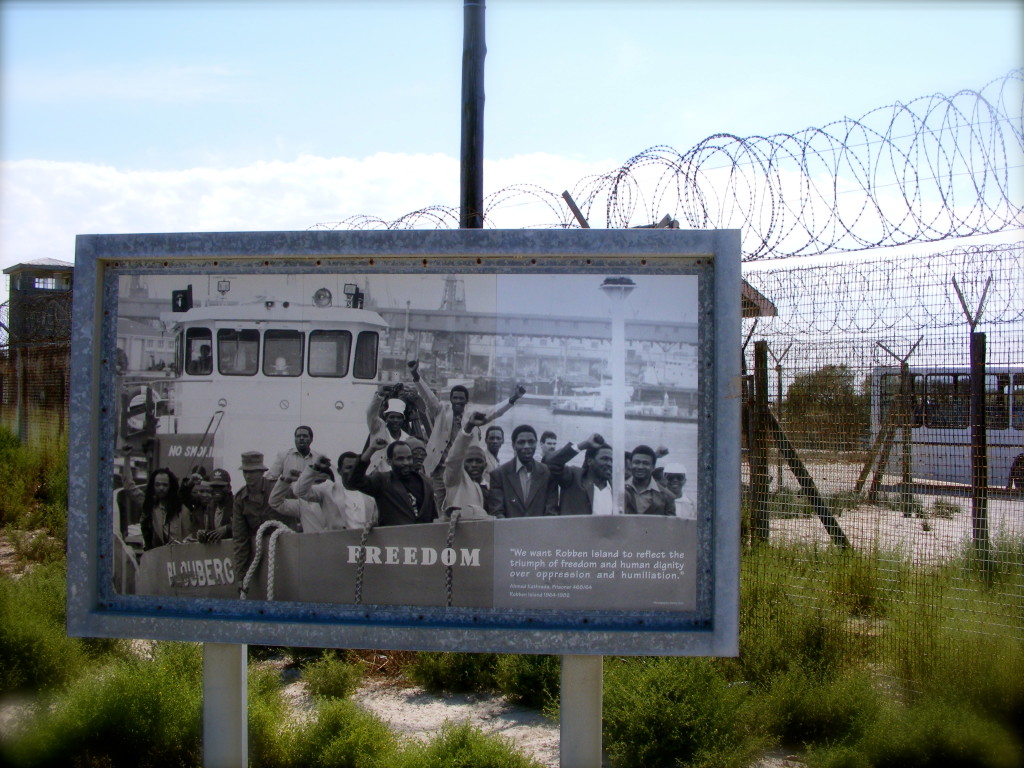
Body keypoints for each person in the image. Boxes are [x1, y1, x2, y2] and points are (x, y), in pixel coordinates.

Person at [408, 359, 525, 509]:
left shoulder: (473, 415)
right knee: (439, 504)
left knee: (461, 503)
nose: (457, 401)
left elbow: (494, 412)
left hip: (462, 470)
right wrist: (415, 375)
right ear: (450, 399)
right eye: (455, 398)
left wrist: (514, 398)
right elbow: (427, 396)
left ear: (466, 400)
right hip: (439, 468)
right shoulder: (440, 410)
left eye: (461, 399)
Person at [233, 451, 297, 591]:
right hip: (262, 554)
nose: (248, 476)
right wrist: (241, 575)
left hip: (288, 550)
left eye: (253, 471)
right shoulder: (240, 499)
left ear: (261, 472)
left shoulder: (278, 490)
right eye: (246, 472)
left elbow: (299, 516)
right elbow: (240, 539)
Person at [348, 437, 436, 526]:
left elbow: (433, 516)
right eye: (400, 459)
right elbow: (354, 481)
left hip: (424, 536)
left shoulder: (426, 482)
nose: (406, 463)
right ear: (389, 462)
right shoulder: (382, 481)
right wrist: (371, 450)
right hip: (394, 538)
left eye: (409, 458)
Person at [288, 452, 378, 531]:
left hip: (365, 544)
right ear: (339, 471)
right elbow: (299, 491)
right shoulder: (328, 489)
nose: (353, 471)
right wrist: (315, 467)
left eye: (356, 467)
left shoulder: (370, 492)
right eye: (349, 468)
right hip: (337, 544)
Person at [487, 425, 558, 518]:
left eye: (531, 442)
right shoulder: (499, 474)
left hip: (540, 531)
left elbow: (551, 511)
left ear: (536, 444)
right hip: (510, 531)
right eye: (521, 442)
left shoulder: (547, 473)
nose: (527, 446)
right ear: (513, 445)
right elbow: (496, 511)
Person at [543, 434, 616, 516]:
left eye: (612, 460)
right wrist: (584, 445)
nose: (610, 464)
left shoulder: (616, 490)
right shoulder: (574, 477)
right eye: (604, 459)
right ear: (589, 461)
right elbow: (551, 463)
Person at [442, 411, 495, 520]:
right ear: (462, 463)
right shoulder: (454, 481)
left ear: (485, 465)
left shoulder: (490, 486)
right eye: (469, 461)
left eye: (478, 461)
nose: (474, 465)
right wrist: (468, 428)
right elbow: (453, 459)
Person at [136, 468, 191, 550]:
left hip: (179, 555)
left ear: (171, 486)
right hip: (158, 556)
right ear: (153, 486)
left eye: (165, 485)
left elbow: (188, 538)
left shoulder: (182, 509)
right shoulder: (150, 507)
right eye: (157, 485)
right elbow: (129, 487)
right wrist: (127, 458)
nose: (161, 488)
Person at [366, 391, 413, 474]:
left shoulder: (407, 438)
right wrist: (379, 396)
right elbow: (371, 413)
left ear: (403, 420)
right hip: (378, 477)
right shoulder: (378, 430)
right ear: (386, 417)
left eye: (399, 417)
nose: (395, 420)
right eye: (392, 417)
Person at [624, 445, 675, 515]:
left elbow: (670, 524)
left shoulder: (667, 496)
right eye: (636, 462)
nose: (640, 467)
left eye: (645, 463)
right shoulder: (617, 490)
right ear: (631, 464)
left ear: (653, 467)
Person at [199, 468, 233, 542]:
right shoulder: (210, 506)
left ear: (229, 488)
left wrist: (227, 528)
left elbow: (247, 527)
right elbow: (211, 533)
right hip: (217, 551)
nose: (217, 490)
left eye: (221, 486)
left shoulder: (237, 503)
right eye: (213, 486)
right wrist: (203, 534)